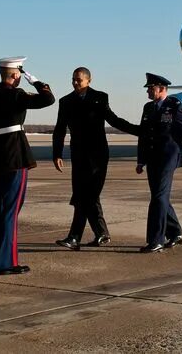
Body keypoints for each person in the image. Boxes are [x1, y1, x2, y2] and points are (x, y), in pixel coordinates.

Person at [104, 73, 182, 253]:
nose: (148, 91)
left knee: (158, 198)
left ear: (162, 89)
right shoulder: (148, 108)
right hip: (152, 158)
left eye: (151, 88)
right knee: (160, 196)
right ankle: (176, 233)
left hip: (168, 158)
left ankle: (156, 240)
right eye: (148, 88)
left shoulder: (174, 107)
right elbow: (143, 134)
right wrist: (141, 160)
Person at [0, 56, 54, 275]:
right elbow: (48, 99)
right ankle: (6, 263)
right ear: (16, 75)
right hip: (14, 159)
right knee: (9, 212)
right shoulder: (17, 95)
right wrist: (36, 82)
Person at [52, 67, 113, 250]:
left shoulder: (100, 97)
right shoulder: (66, 101)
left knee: (85, 197)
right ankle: (102, 234)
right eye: (73, 79)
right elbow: (60, 129)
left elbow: (113, 119)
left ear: (88, 80)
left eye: (79, 79)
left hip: (98, 156)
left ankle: (74, 237)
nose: (75, 82)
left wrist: (138, 131)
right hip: (78, 156)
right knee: (87, 196)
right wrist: (57, 154)